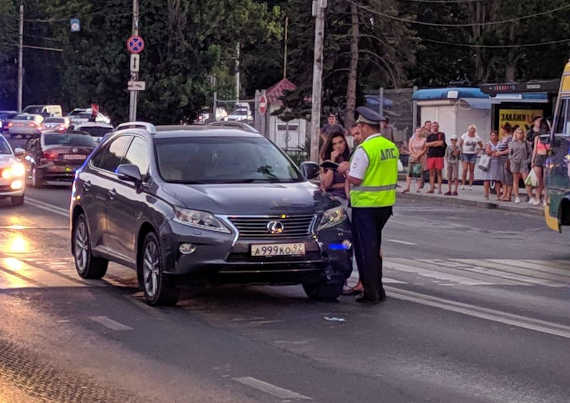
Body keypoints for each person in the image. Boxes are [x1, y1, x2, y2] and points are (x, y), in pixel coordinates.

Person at [347, 106, 399, 304]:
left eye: (360, 126)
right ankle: (379, 288)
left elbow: (356, 179)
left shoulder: (365, 149)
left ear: (366, 127)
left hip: (365, 205)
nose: (359, 129)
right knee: (375, 248)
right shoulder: (390, 146)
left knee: (365, 250)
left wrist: (344, 170)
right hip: (385, 205)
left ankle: (371, 292)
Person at [320, 129, 351, 200]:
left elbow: (353, 182)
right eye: (334, 144)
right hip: (331, 197)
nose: (338, 146)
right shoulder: (327, 161)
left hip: (347, 198)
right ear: (332, 147)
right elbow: (326, 185)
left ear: (345, 143)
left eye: (340, 142)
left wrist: (333, 186)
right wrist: (332, 161)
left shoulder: (351, 159)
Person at [509, 127, 532, 204]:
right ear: (515, 134)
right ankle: (516, 197)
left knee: (526, 180)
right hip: (515, 163)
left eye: (521, 133)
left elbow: (530, 153)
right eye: (518, 133)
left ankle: (530, 196)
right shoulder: (511, 143)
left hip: (523, 163)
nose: (519, 134)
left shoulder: (526, 143)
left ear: (523, 134)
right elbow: (510, 154)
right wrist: (512, 159)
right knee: (515, 180)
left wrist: (527, 161)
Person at [402, 127, 427, 193]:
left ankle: (418, 188)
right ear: (415, 132)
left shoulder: (424, 139)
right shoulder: (412, 139)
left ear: (422, 132)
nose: (418, 133)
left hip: (420, 157)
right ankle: (407, 187)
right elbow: (410, 148)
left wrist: (418, 155)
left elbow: (425, 149)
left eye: (420, 131)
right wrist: (414, 155)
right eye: (417, 131)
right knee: (409, 172)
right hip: (412, 156)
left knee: (418, 172)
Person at [459, 124, 483, 190]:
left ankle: (470, 185)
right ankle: (463, 184)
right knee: (465, 169)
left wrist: (478, 150)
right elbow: (460, 143)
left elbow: (481, 145)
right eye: (470, 130)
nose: (472, 132)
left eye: (473, 130)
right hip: (465, 154)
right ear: (468, 130)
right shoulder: (464, 135)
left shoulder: (477, 137)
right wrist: (461, 151)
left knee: (471, 170)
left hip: (473, 154)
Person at [481, 131, 503, 200]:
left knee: (497, 180)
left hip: (498, 163)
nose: (493, 137)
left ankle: (498, 195)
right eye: (492, 135)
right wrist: (496, 152)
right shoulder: (488, 143)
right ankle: (486, 194)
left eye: (495, 135)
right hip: (489, 163)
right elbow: (488, 152)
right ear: (490, 136)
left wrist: (494, 152)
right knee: (487, 179)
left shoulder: (500, 143)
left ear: (497, 136)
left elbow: (502, 151)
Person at [425, 121, 446, 194]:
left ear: (438, 127)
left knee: (439, 173)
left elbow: (441, 143)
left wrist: (432, 144)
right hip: (431, 156)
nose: (435, 127)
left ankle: (439, 189)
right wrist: (436, 143)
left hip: (439, 156)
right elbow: (427, 144)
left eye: (436, 126)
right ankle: (431, 188)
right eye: (433, 126)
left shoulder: (442, 134)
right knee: (431, 173)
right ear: (431, 127)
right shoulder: (429, 136)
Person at [531, 127, 550, 206]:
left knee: (546, 180)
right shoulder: (537, 137)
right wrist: (532, 160)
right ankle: (537, 198)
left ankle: (545, 199)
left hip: (547, 157)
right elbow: (535, 149)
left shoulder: (550, 137)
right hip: (539, 157)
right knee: (538, 180)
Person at [496, 126, 514, 201]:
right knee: (503, 178)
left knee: (508, 178)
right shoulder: (502, 138)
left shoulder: (509, 138)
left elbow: (510, 149)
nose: (500, 131)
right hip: (500, 160)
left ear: (505, 130)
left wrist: (500, 153)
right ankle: (504, 194)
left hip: (507, 159)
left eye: (501, 130)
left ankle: (508, 195)